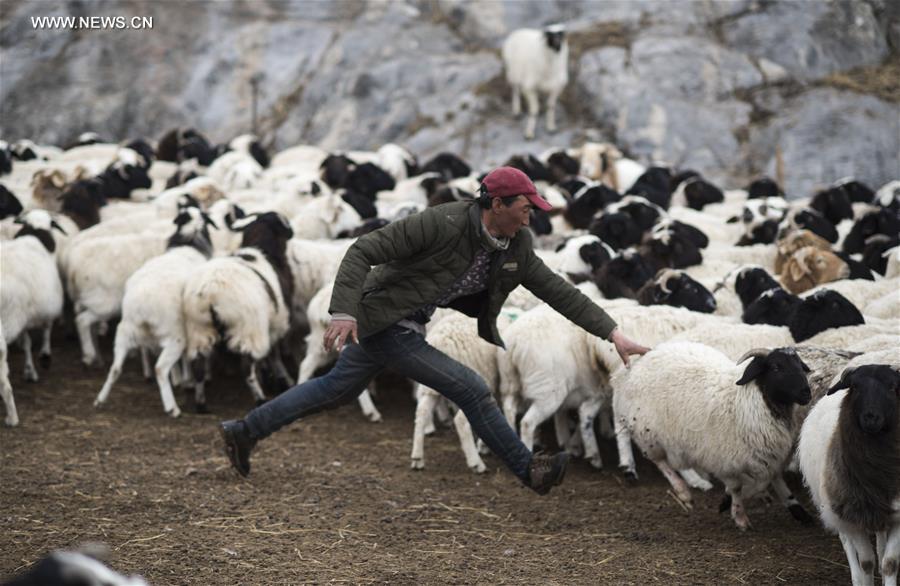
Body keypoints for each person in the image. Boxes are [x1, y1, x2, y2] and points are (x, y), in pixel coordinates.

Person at [219, 166, 649, 494]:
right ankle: (529, 469)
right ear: (497, 205)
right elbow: (363, 249)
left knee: (334, 389)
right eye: (525, 207)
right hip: (385, 319)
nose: (530, 216)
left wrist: (611, 332)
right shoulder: (441, 223)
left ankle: (244, 431)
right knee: (472, 388)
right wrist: (344, 311)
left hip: (410, 321)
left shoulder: (515, 243)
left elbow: (557, 289)